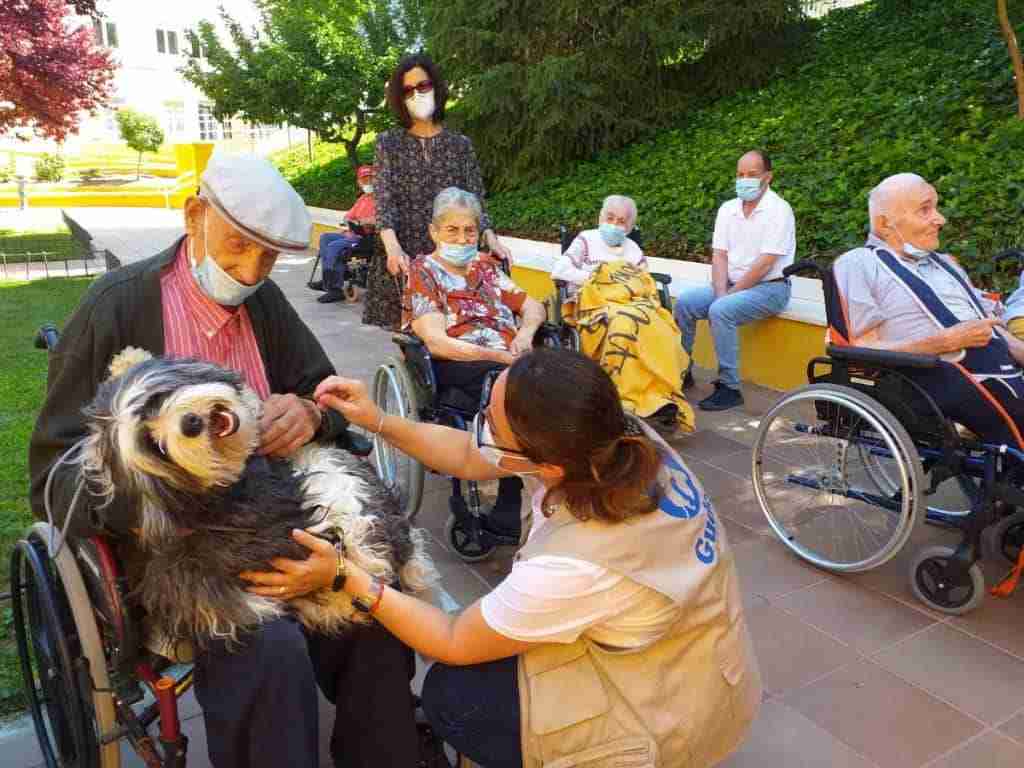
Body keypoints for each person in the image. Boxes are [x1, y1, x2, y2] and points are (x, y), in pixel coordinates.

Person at [28, 154, 419, 768]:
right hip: (177, 557)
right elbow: (54, 476)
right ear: (194, 215)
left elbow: (325, 394)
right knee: (269, 651)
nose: (249, 270)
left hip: (281, 521)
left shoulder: (263, 304)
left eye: (267, 256)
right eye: (239, 246)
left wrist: (312, 415)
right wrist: (162, 480)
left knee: (372, 613)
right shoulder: (117, 306)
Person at [243, 348, 762, 768]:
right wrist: (378, 420)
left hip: (666, 714)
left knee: (456, 694)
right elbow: (470, 457)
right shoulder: (614, 439)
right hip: (704, 662)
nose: (480, 426)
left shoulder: (577, 564)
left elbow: (451, 641)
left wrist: (346, 575)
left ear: (548, 466)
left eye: (492, 421)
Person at [832, 172, 1024, 447]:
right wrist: (943, 342)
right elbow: (859, 351)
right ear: (885, 224)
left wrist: (1017, 348)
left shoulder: (945, 263)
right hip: (934, 379)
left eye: (936, 207)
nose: (940, 219)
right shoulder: (858, 264)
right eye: (925, 210)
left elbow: (985, 324)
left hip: (996, 367)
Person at [406, 187, 547, 538]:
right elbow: (436, 340)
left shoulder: (486, 266)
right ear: (434, 231)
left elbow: (533, 306)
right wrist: (500, 356)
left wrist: (525, 335)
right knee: (516, 390)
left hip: (510, 355)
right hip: (461, 359)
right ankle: (511, 504)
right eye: (452, 230)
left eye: (469, 230)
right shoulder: (423, 270)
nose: (462, 237)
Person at [364, 53, 512, 330]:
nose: (416, 94)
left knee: (464, 328)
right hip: (406, 253)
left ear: (436, 87)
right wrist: (393, 248)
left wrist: (491, 238)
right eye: (408, 90)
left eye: (423, 86)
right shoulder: (388, 143)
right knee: (417, 339)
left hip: (453, 252)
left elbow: (476, 200)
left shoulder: (459, 144)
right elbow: (384, 201)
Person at [551, 194, 695, 435]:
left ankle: (657, 398)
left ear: (629, 227)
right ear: (600, 217)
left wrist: (626, 289)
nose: (615, 225)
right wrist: (599, 280)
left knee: (660, 325)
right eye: (610, 218)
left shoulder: (633, 249)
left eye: (622, 221)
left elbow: (645, 282)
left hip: (632, 304)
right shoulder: (586, 240)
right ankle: (626, 401)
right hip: (595, 305)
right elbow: (560, 270)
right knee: (626, 325)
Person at [673, 150, 796, 411]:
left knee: (721, 309)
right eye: (740, 174)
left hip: (771, 288)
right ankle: (682, 370)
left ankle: (730, 387)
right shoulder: (728, 209)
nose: (744, 180)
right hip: (728, 286)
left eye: (752, 174)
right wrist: (721, 291)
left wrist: (729, 295)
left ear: (768, 177)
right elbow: (719, 255)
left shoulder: (779, 210)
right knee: (685, 303)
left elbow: (765, 263)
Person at [310, 164, 377, 304]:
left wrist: (363, 221)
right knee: (325, 238)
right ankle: (327, 280)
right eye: (364, 180)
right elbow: (347, 216)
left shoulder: (381, 199)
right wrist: (352, 221)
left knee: (334, 246)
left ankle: (335, 289)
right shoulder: (363, 199)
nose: (368, 182)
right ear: (359, 182)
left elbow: (380, 219)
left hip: (365, 238)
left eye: (371, 178)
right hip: (351, 234)